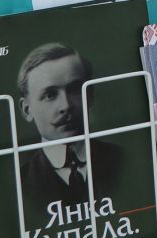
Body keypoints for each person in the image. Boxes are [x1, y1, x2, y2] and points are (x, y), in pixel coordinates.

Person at [17, 43, 124, 228]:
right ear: (27, 109)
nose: (66, 106)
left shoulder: (124, 160)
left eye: (74, 89)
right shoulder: (20, 184)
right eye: (50, 95)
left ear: (90, 95)